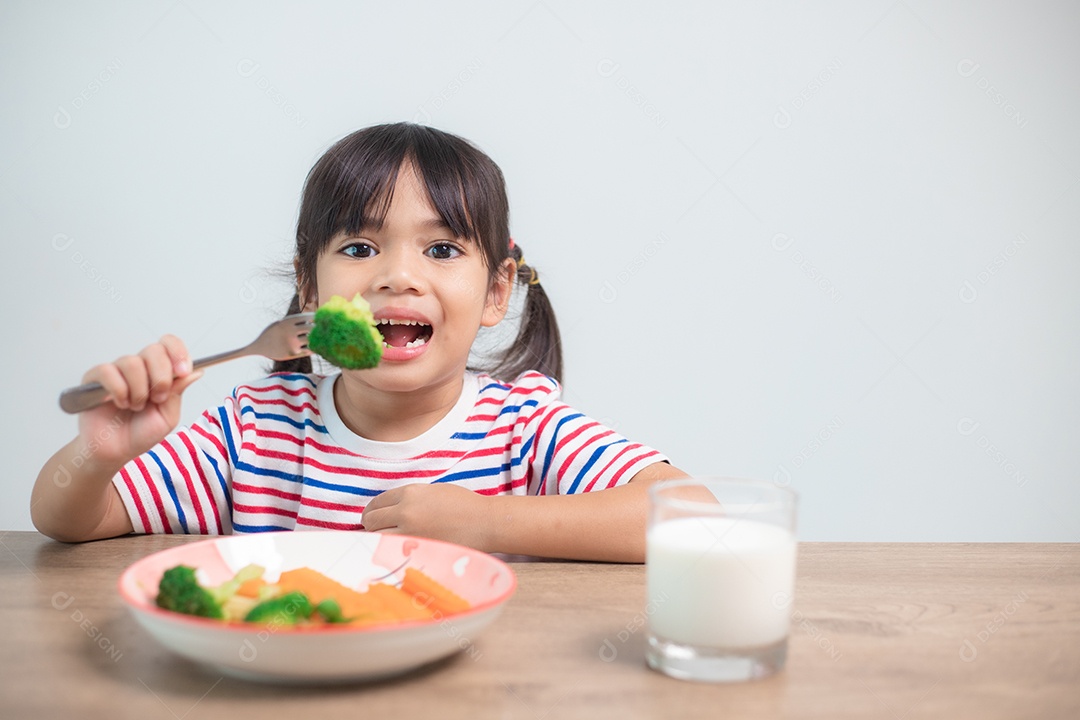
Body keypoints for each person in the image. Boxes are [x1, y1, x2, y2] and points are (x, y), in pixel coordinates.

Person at [31, 123, 684, 561]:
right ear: (309, 286)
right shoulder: (256, 431)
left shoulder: (523, 428)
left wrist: (491, 523)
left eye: (441, 248)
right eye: (360, 247)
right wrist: (96, 455)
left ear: (496, 291)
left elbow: (688, 514)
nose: (399, 275)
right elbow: (69, 521)